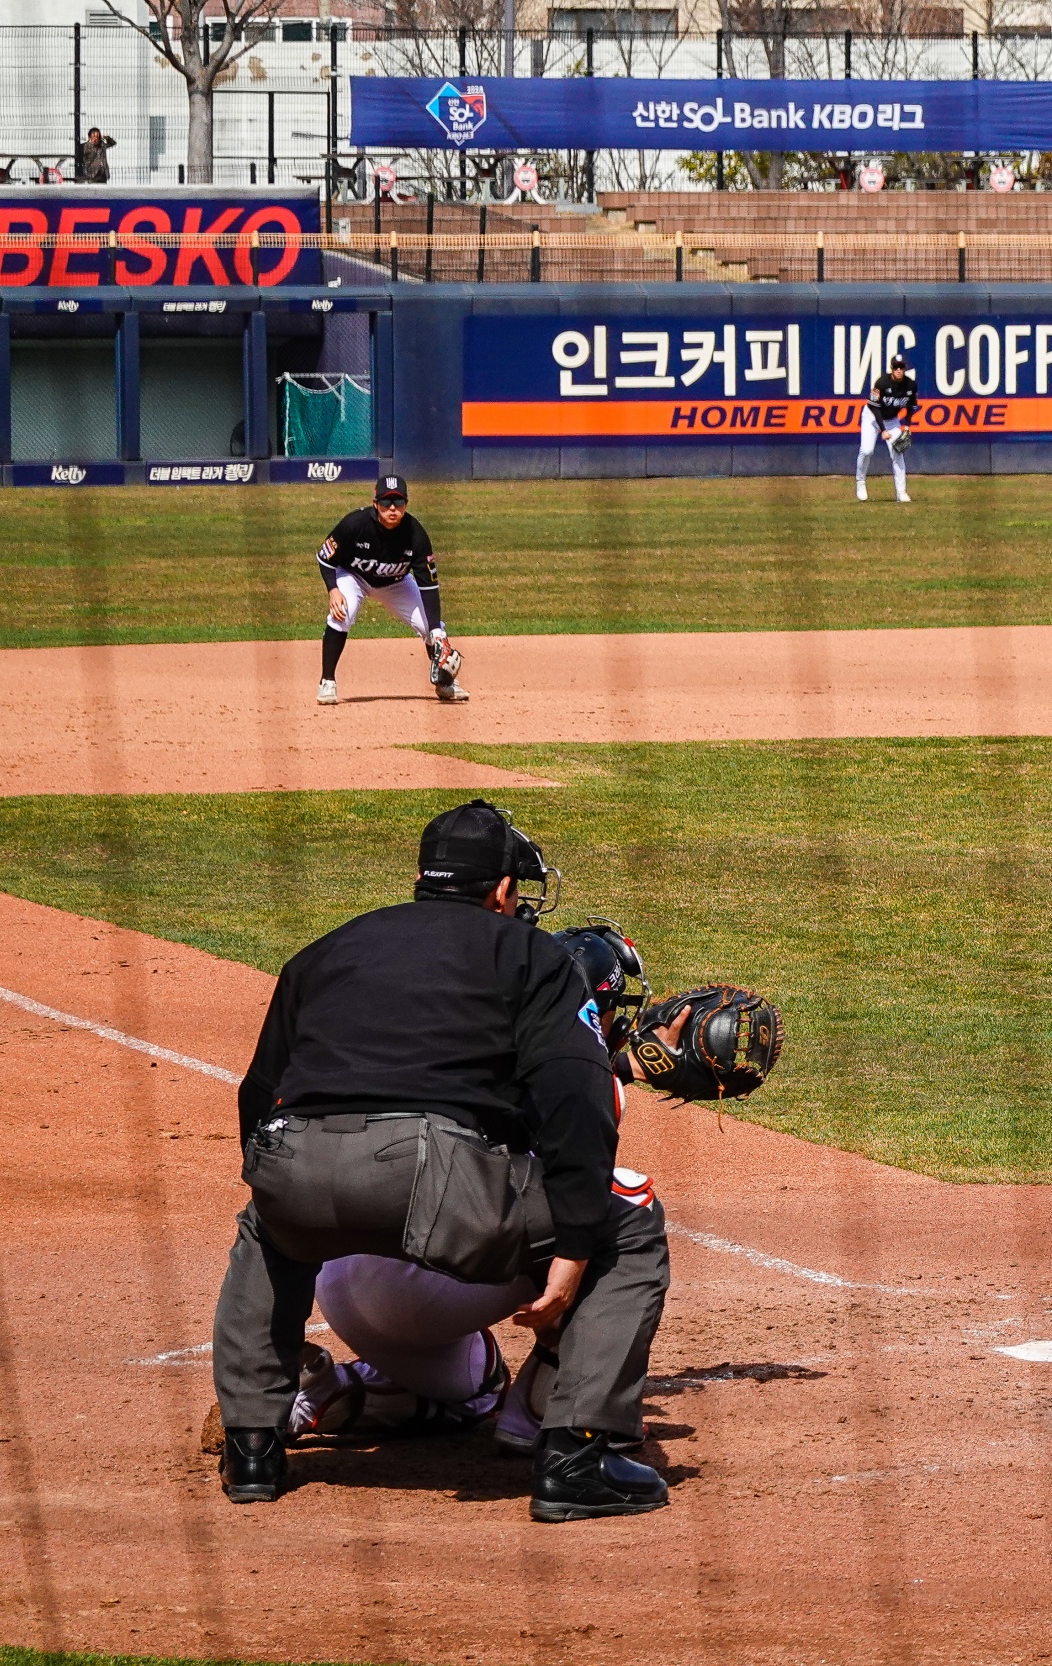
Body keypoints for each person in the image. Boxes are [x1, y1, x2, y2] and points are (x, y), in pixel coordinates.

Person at [211, 800, 674, 1521]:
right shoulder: (533, 956)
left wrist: (278, 1190)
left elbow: (259, 1090)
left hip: (293, 1158)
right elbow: (573, 1104)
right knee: (630, 1221)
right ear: (503, 890)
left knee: (265, 1233)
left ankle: (251, 1449)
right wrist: (574, 1250)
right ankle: (576, 1457)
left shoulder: (329, 949)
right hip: (432, 1175)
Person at [284, 919, 776, 1461]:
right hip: (422, 1286)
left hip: (339, 1278)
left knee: (478, 1386)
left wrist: (625, 1065)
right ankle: (551, 1417)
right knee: (612, 1204)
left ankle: (323, 1392)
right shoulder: (589, 1083)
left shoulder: (437, 1035)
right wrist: (625, 1066)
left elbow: (520, 1079)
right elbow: (568, 1109)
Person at [315, 474, 466, 706]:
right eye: (386, 502)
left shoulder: (416, 534)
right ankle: (327, 681)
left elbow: (429, 585)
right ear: (376, 504)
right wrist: (333, 589)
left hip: (396, 583)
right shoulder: (355, 524)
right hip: (353, 576)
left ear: (406, 504)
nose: (392, 508)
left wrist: (436, 630)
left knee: (431, 627)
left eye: (399, 502)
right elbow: (325, 558)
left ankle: (445, 683)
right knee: (342, 613)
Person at [857, 351, 917, 504]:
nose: (898, 370)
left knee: (898, 452)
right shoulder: (882, 382)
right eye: (896, 367)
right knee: (867, 450)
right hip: (872, 417)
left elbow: (911, 406)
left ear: (905, 368)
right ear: (891, 368)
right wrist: (883, 430)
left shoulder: (910, 385)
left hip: (892, 420)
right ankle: (860, 482)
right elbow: (874, 406)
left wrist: (907, 426)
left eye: (901, 367)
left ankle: (901, 492)